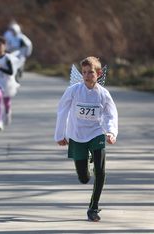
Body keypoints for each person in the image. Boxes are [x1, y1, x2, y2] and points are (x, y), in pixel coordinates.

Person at [54, 56, 118, 222]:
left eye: (90, 72)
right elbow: (62, 110)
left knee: (101, 171)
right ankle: (85, 164)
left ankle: (93, 208)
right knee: (83, 178)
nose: (87, 76)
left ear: (99, 73)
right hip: (77, 135)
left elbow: (111, 114)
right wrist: (60, 134)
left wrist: (111, 132)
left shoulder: (103, 94)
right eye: (84, 72)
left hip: (97, 133)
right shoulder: (74, 90)